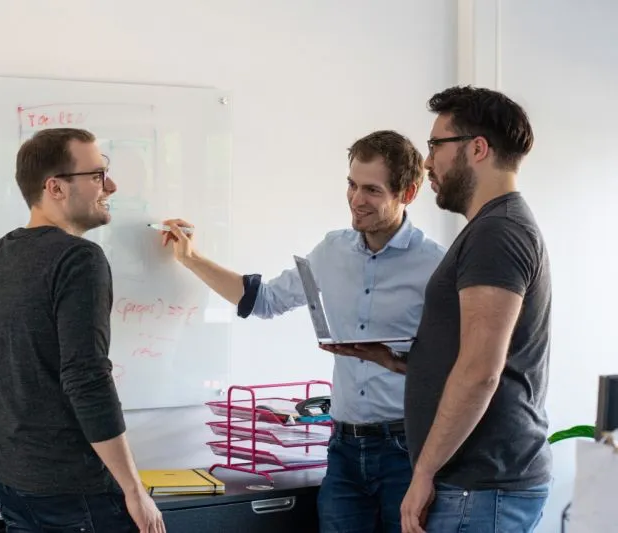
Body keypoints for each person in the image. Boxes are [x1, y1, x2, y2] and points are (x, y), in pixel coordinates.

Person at [158, 130, 446, 533]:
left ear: (409, 193)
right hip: (343, 448)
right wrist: (191, 259)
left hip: (406, 449)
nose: (356, 199)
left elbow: (454, 362)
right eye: (351, 185)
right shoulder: (332, 250)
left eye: (371, 190)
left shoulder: (435, 265)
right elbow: (264, 300)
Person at [0, 128, 165, 533]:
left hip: (12, 482)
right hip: (76, 493)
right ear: (55, 187)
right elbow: (87, 377)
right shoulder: (80, 259)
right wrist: (133, 488)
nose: (111, 185)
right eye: (97, 175)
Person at [358, 87, 551, 533]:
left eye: (435, 146)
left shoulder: (497, 233)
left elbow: (482, 369)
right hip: (478, 487)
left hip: (479, 488)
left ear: (477, 148)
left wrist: (423, 472)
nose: (427, 162)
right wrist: (402, 363)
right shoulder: (494, 228)